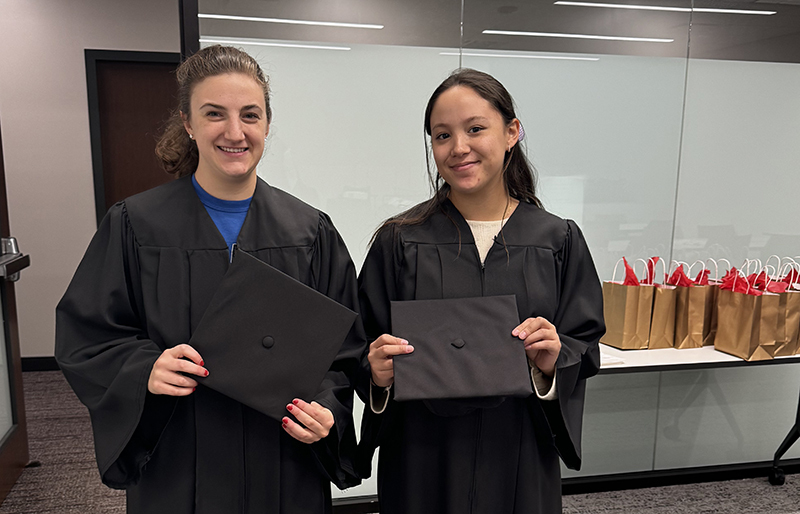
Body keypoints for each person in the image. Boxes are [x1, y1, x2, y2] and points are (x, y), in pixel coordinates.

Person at [55, 45, 363, 514]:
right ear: (188, 122)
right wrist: (145, 370)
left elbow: (342, 352)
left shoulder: (309, 231)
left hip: (282, 458)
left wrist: (326, 410)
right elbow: (88, 336)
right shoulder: (136, 226)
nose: (234, 132)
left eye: (250, 115)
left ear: (267, 123)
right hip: (179, 458)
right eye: (214, 113)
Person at [356, 69, 605, 513]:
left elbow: (583, 345)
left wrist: (551, 364)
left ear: (511, 132)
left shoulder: (557, 241)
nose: (459, 148)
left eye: (475, 129)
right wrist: (375, 373)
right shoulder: (400, 242)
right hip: (422, 454)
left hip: (519, 450)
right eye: (442, 135)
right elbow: (359, 347)